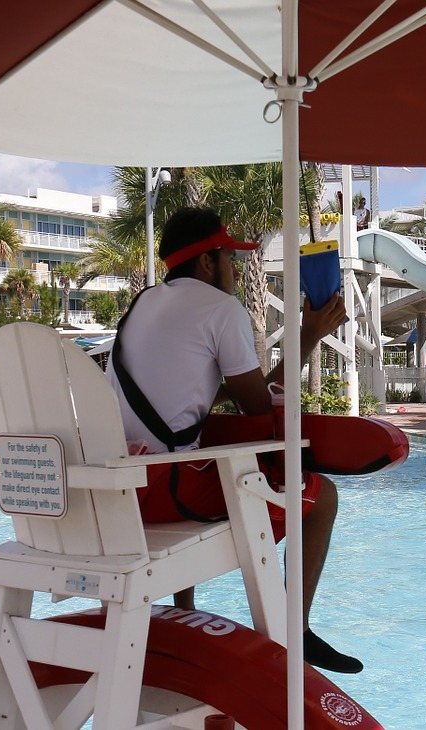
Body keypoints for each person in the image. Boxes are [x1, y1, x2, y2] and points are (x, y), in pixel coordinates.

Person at [108, 207, 359, 674]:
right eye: (230, 257)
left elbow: (182, 391)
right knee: (321, 496)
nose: (237, 268)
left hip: (114, 493)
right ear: (207, 262)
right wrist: (308, 336)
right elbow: (259, 409)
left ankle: (183, 614)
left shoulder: (143, 302)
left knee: (191, 451)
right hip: (165, 493)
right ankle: (296, 631)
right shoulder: (221, 310)